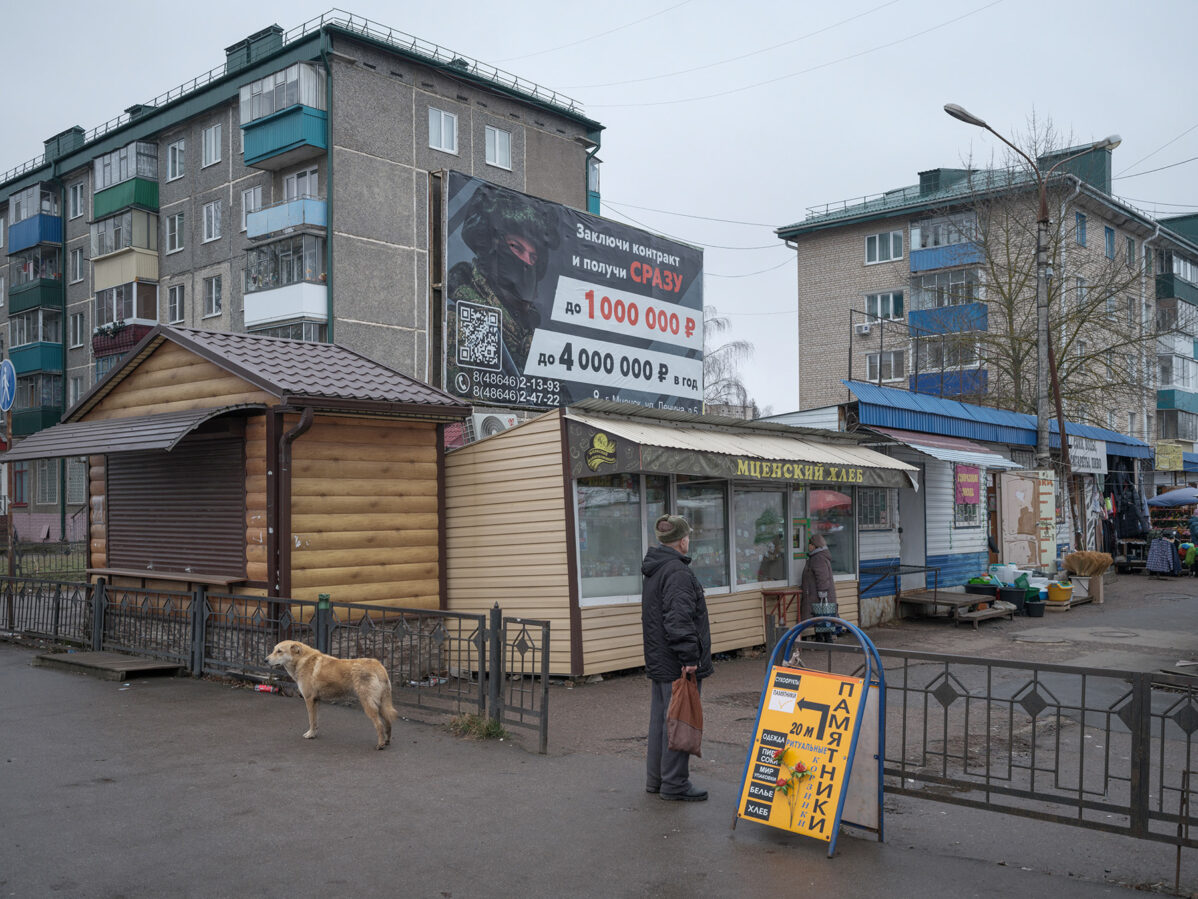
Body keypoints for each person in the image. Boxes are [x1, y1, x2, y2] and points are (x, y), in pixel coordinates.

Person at [445, 184, 557, 392]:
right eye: (516, 247)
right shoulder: (461, 323)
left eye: (533, 257)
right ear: (492, 245)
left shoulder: (533, 335)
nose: (525, 262)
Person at [641, 513, 713, 802]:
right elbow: (679, 618)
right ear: (682, 540)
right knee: (680, 719)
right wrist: (689, 657)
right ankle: (674, 783)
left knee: (662, 720)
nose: (688, 541)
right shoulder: (678, 572)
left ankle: (657, 780)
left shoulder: (656, 568)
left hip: (660, 658)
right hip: (677, 661)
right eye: (688, 537)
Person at [800, 533, 838, 642]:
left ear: (815, 545)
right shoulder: (818, 556)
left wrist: (822, 592)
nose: (809, 546)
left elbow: (822, 576)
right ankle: (823, 640)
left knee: (821, 617)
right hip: (818, 594)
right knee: (822, 618)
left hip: (819, 595)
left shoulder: (817, 558)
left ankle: (824, 641)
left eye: (810, 544)